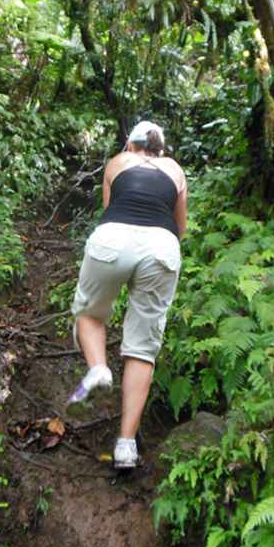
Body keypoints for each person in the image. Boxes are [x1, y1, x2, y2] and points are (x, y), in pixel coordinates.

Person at [67, 120, 187, 469]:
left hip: (113, 238)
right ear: (160, 149)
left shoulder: (118, 163)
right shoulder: (175, 170)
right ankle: (125, 447)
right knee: (142, 346)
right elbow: (180, 227)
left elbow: (109, 211)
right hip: (162, 246)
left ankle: (99, 370)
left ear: (130, 145)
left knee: (90, 314)